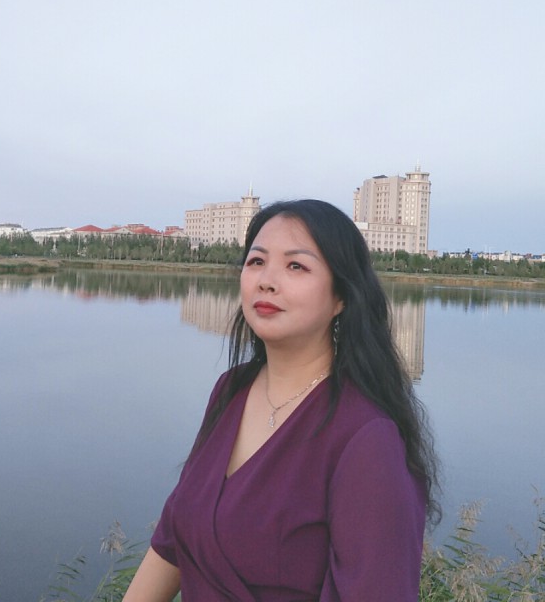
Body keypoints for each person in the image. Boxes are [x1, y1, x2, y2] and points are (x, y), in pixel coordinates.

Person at [124, 199, 439, 602]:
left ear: (341, 296)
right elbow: (173, 538)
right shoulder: (231, 390)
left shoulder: (366, 438)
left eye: (296, 266)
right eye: (257, 261)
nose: (267, 281)